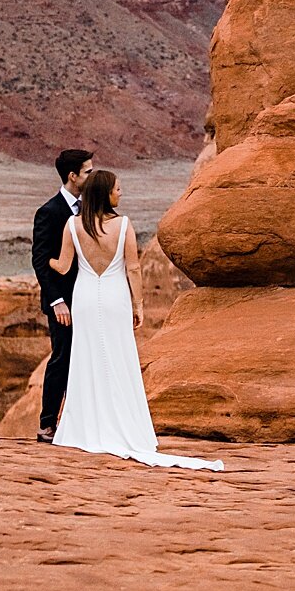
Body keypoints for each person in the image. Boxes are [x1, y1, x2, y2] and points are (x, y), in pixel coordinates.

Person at [45, 166, 222, 469]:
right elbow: (133, 268)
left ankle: (87, 428)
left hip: (85, 299)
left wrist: (42, 257)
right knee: (119, 358)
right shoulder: (124, 225)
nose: (121, 192)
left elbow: (62, 267)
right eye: (117, 188)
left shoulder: (72, 226)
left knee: (86, 360)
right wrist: (138, 304)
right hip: (115, 299)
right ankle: (126, 425)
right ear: (105, 194)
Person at [31, 147, 93, 444]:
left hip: (89, 296)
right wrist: (57, 301)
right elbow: (41, 261)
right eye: (88, 172)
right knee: (62, 359)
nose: (91, 176)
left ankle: (80, 422)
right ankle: (47, 424)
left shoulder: (91, 208)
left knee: (87, 359)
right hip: (63, 304)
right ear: (73, 176)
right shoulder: (49, 212)